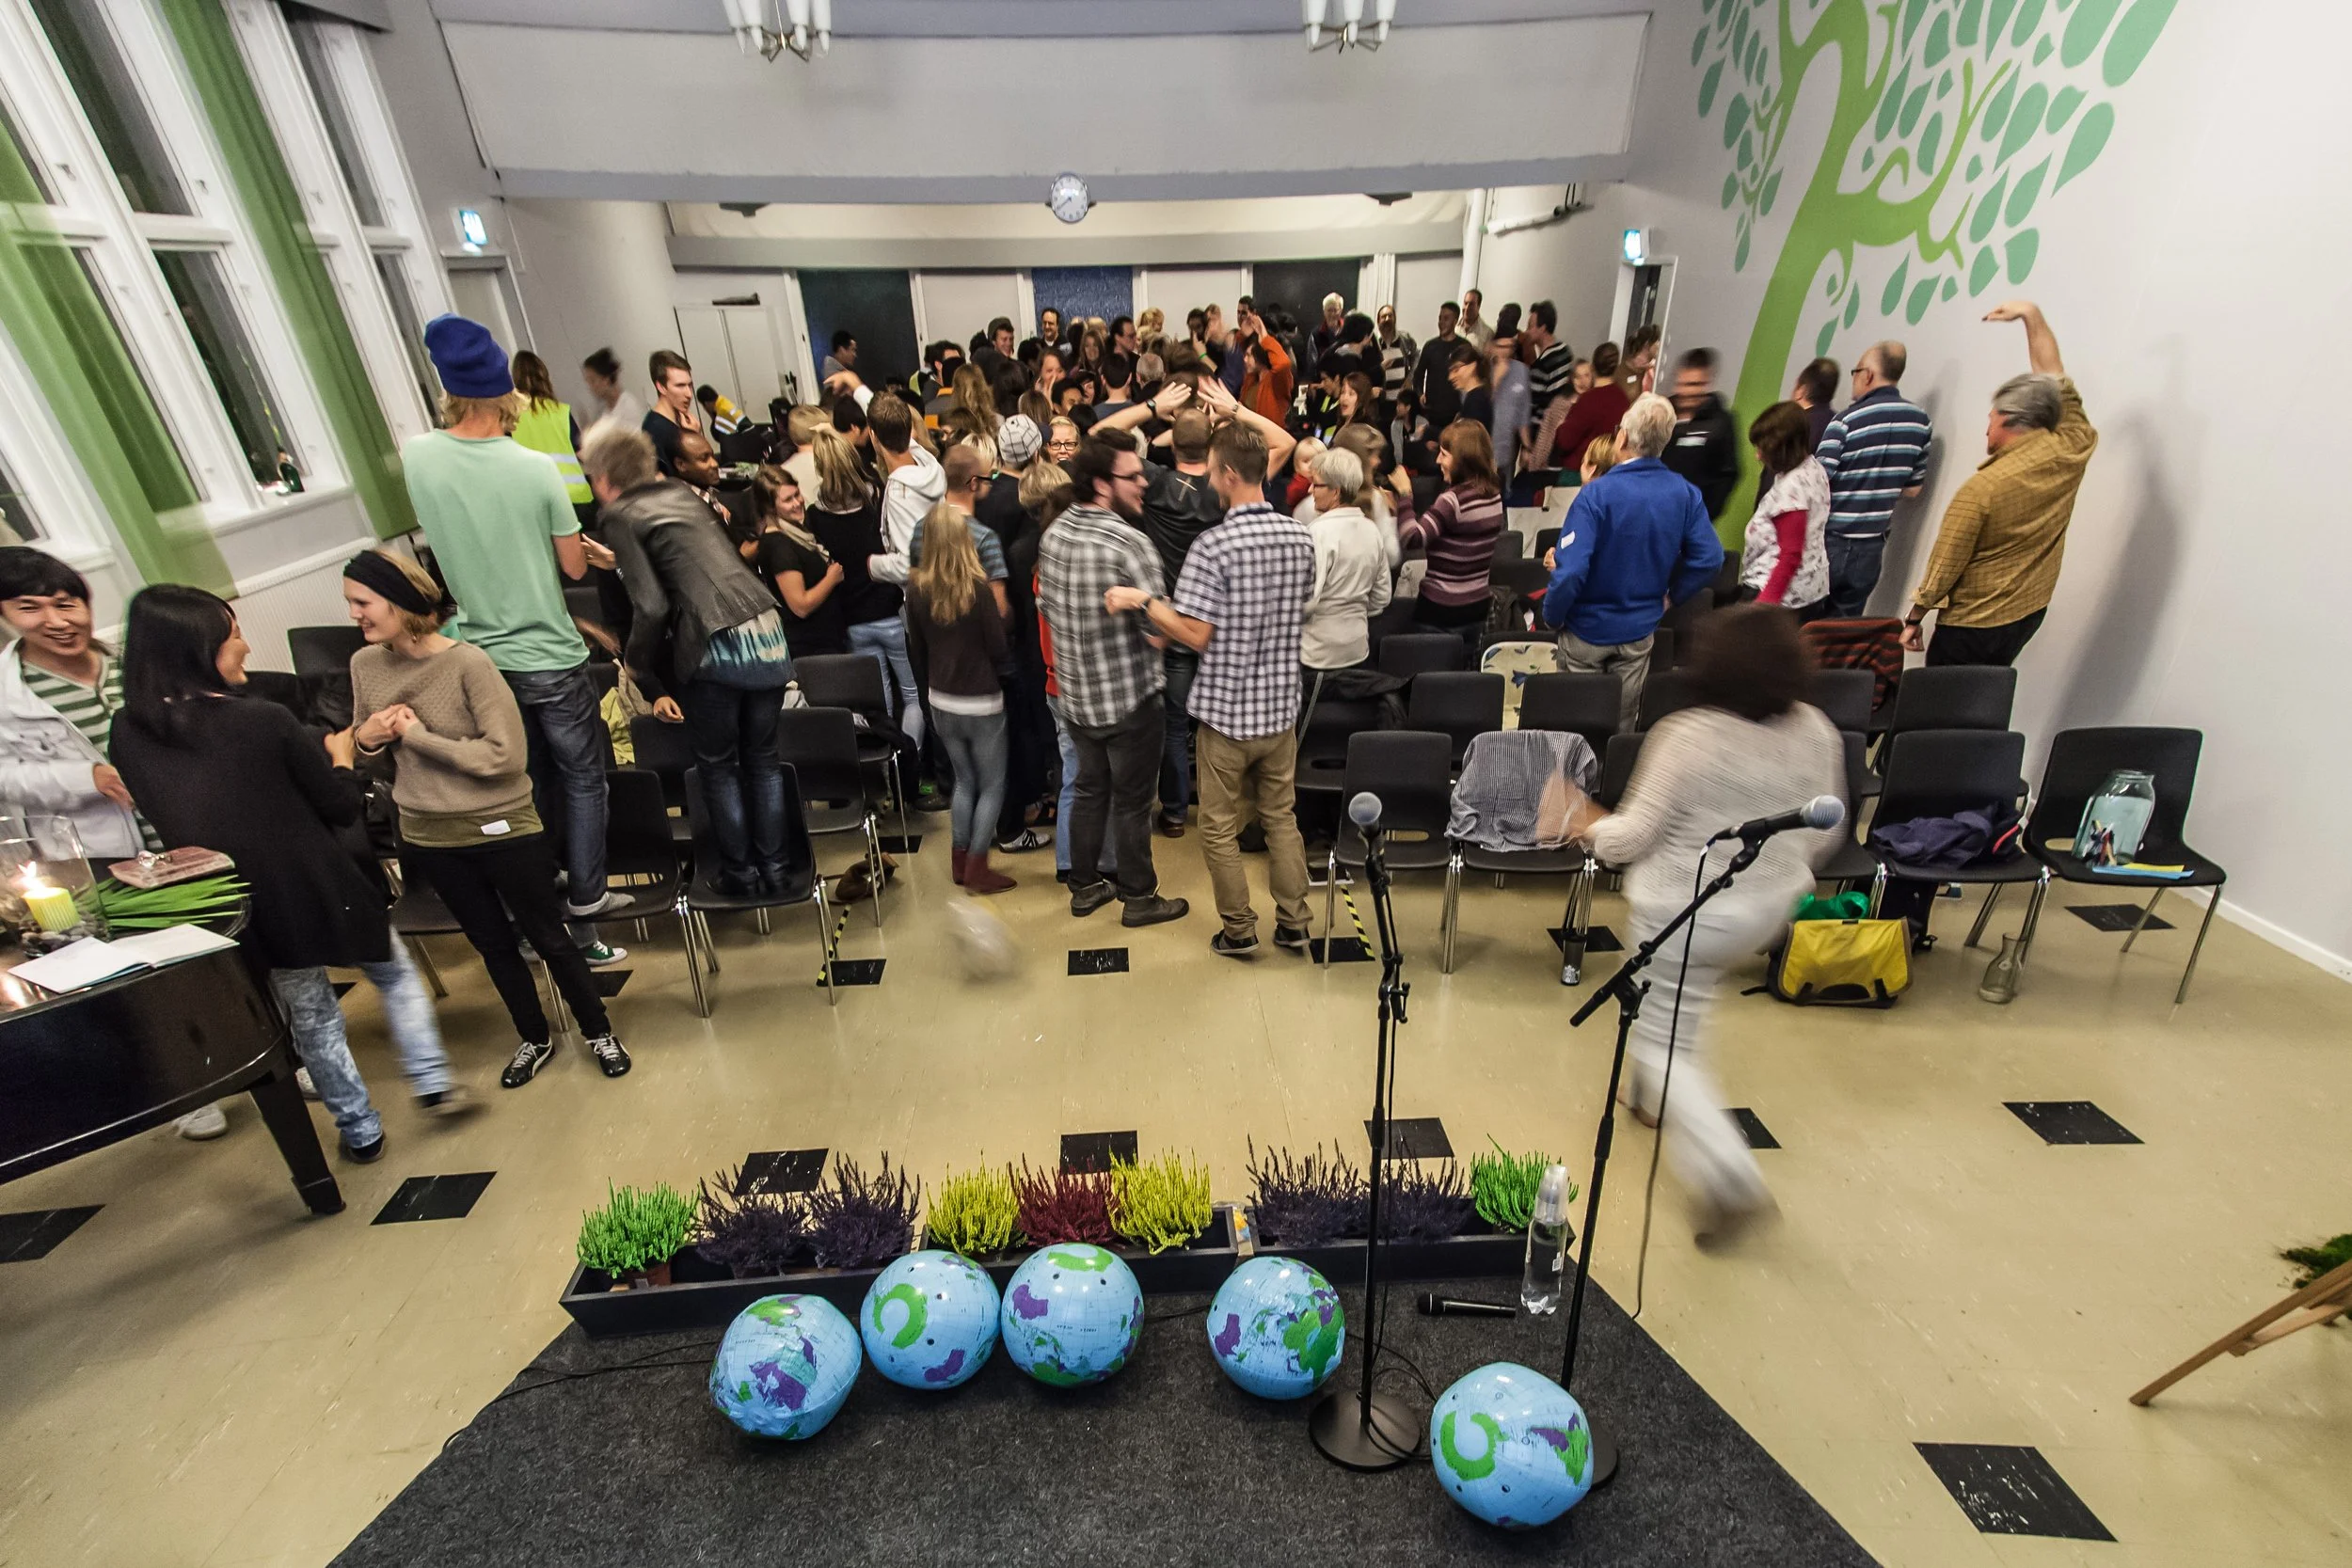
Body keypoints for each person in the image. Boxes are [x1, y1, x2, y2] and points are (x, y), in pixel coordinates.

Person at [110, 586, 474, 1164]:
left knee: (311, 1014)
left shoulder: (128, 731)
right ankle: (433, 1083)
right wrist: (342, 758)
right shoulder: (261, 720)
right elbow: (337, 806)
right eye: (233, 635)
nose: (246, 646)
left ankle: (360, 1131)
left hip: (239, 901)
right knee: (395, 975)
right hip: (320, 884)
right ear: (197, 648)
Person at [1573, 604, 1840, 1241]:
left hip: (1684, 911)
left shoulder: (1689, 735)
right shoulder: (1816, 728)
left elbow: (1629, 837)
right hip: (1767, 910)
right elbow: (1824, 831)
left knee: (1665, 1043)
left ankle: (1730, 1177)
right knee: (1677, 1017)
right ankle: (1644, 1100)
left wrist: (1581, 821)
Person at [342, 550, 631, 1088]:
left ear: (401, 602)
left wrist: (416, 736)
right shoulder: (365, 665)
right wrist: (369, 738)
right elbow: (359, 746)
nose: (355, 614)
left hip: (503, 828)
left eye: (363, 602)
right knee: (492, 945)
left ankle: (598, 1031)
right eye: (349, 604)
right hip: (428, 834)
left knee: (549, 936)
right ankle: (535, 1038)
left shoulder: (468, 663)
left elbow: (503, 759)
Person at [403, 316, 627, 964]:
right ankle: (585, 913)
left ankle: (536, 925)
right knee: (584, 780)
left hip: (478, 658)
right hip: (547, 653)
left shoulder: (418, 456)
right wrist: (587, 552)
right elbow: (573, 568)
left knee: (521, 790)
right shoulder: (533, 470)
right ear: (508, 393)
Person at [0, 549, 230, 1140]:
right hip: (99, 848)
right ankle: (192, 1086)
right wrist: (87, 778)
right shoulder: (9, 692)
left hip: (183, 828)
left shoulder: (128, 662)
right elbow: (6, 775)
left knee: (229, 944)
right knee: (147, 965)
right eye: (30, 607)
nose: (57, 619)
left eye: (66, 601)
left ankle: (284, 1052)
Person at [1108, 422, 1312, 957]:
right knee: (1280, 818)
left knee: (1218, 828)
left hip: (1226, 715)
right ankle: (1294, 921)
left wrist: (1144, 603)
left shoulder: (1212, 545)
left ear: (1226, 473)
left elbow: (1196, 635)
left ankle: (1239, 928)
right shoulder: (1299, 537)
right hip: (1280, 710)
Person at [584, 427, 793, 894]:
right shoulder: (683, 495)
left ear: (602, 477)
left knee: (718, 767)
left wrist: (637, 666)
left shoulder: (619, 514)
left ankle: (741, 875)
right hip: (768, 631)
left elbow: (652, 605)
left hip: (717, 643)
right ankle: (777, 872)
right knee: (762, 760)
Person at [1036, 436, 1187, 928]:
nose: (1144, 482)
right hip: (1129, 703)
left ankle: (1084, 888)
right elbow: (1160, 633)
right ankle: (1139, 898)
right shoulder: (1131, 544)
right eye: (1132, 476)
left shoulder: (1053, 535)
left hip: (1076, 698)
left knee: (1087, 790)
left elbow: (1045, 608)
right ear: (1103, 484)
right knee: (1132, 802)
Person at [1903, 301, 2097, 667]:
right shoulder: (2074, 446)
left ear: (2009, 420)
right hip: (2028, 612)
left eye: (1991, 418)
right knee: (1986, 698)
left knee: (1937, 710)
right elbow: (2055, 377)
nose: (1986, 426)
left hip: (1972, 623)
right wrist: (2031, 314)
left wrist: (1915, 617)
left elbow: (1945, 565)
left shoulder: (1981, 490)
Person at [1543, 394, 1726, 728]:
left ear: (1622, 437)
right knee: (1621, 725)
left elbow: (1570, 573)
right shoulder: (1684, 493)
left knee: (1572, 727)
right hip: (1639, 633)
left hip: (1585, 631)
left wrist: (1552, 617)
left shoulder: (1595, 496)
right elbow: (1710, 558)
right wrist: (1673, 596)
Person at [905, 503, 1017, 895]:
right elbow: (997, 645)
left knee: (963, 781)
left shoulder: (915, 589)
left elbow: (915, 649)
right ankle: (979, 867)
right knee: (992, 784)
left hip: (941, 698)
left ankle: (958, 859)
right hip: (981, 699)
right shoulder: (978, 589)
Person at [1817, 340, 1933, 618]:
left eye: (1856, 372)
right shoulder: (1920, 422)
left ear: (1867, 374)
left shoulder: (1845, 421)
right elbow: (1913, 490)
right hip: (1871, 547)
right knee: (1842, 632)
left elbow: (1818, 482)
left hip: (1830, 541)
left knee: (1806, 627)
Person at [1400, 420, 1507, 650]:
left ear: (1464, 460)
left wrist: (1404, 495)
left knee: (1429, 681)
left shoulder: (1452, 501)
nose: (1438, 460)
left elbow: (1412, 538)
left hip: (1440, 612)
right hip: (1477, 609)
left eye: (1444, 454)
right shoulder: (1495, 496)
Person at [1297, 446, 1393, 676]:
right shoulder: (1372, 531)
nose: (1310, 489)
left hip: (1317, 655)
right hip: (1358, 649)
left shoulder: (1317, 533)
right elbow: (1382, 597)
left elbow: (1307, 603)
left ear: (1336, 492)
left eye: (1317, 484)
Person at [1739, 403, 1831, 614]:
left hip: (1780, 596)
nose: (1758, 456)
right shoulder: (1814, 468)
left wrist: (1762, 608)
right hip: (1809, 589)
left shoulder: (1792, 490)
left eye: (1763, 449)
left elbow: (1790, 555)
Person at [748, 466, 848, 656]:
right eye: (787, 500)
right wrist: (831, 578)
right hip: (812, 649)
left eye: (797, 494)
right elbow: (800, 606)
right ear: (769, 507)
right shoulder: (779, 546)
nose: (797, 503)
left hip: (825, 641)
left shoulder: (794, 531)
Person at [510, 352, 591, 527]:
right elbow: (583, 453)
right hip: (576, 499)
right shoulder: (561, 411)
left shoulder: (512, 419)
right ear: (544, 376)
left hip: (538, 504)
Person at [1662, 348, 1742, 523]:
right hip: (1657, 514)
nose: (1688, 392)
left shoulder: (1721, 422)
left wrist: (1705, 514)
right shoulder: (1663, 414)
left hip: (1695, 520)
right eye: (1684, 384)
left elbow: (1728, 474)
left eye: (1696, 384)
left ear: (1707, 383)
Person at [643, 349, 700, 476]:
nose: (689, 394)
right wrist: (693, 439)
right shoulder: (654, 431)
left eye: (690, 385)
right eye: (680, 386)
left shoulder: (681, 418)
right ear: (661, 387)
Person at [1413, 302, 1466, 434]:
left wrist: (1463, 409)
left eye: (1446, 318)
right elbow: (1418, 375)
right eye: (1440, 318)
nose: (1441, 322)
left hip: (1455, 415)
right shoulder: (1431, 346)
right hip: (1431, 413)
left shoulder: (1463, 347)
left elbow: (1469, 380)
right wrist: (1420, 394)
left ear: (1455, 320)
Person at [1487, 332, 1533, 484]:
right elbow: (1479, 407)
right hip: (1484, 447)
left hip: (1508, 448)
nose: (1506, 351)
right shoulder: (1482, 369)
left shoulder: (1521, 371)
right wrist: (1496, 380)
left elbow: (1523, 411)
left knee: (1505, 493)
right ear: (1492, 347)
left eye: (1510, 346)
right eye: (1501, 346)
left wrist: (1527, 447)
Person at [580, 347, 646, 440]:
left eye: (593, 381)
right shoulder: (603, 411)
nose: (590, 387)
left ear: (606, 380)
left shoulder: (628, 407)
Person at [1375, 304, 1416, 411]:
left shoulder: (1405, 339)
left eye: (1390, 315)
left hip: (1402, 403)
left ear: (1395, 319)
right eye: (1383, 317)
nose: (1387, 319)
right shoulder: (1375, 345)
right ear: (1378, 322)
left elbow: (1417, 357)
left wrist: (1410, 379)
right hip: (1382, 404)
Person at [1458, 287, 1494, 351]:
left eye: (1471, 304)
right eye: (1465, 303)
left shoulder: (1487, 333)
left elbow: (1486, 359)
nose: (1467, 308)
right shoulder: (1454, 327)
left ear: (1478, 306)